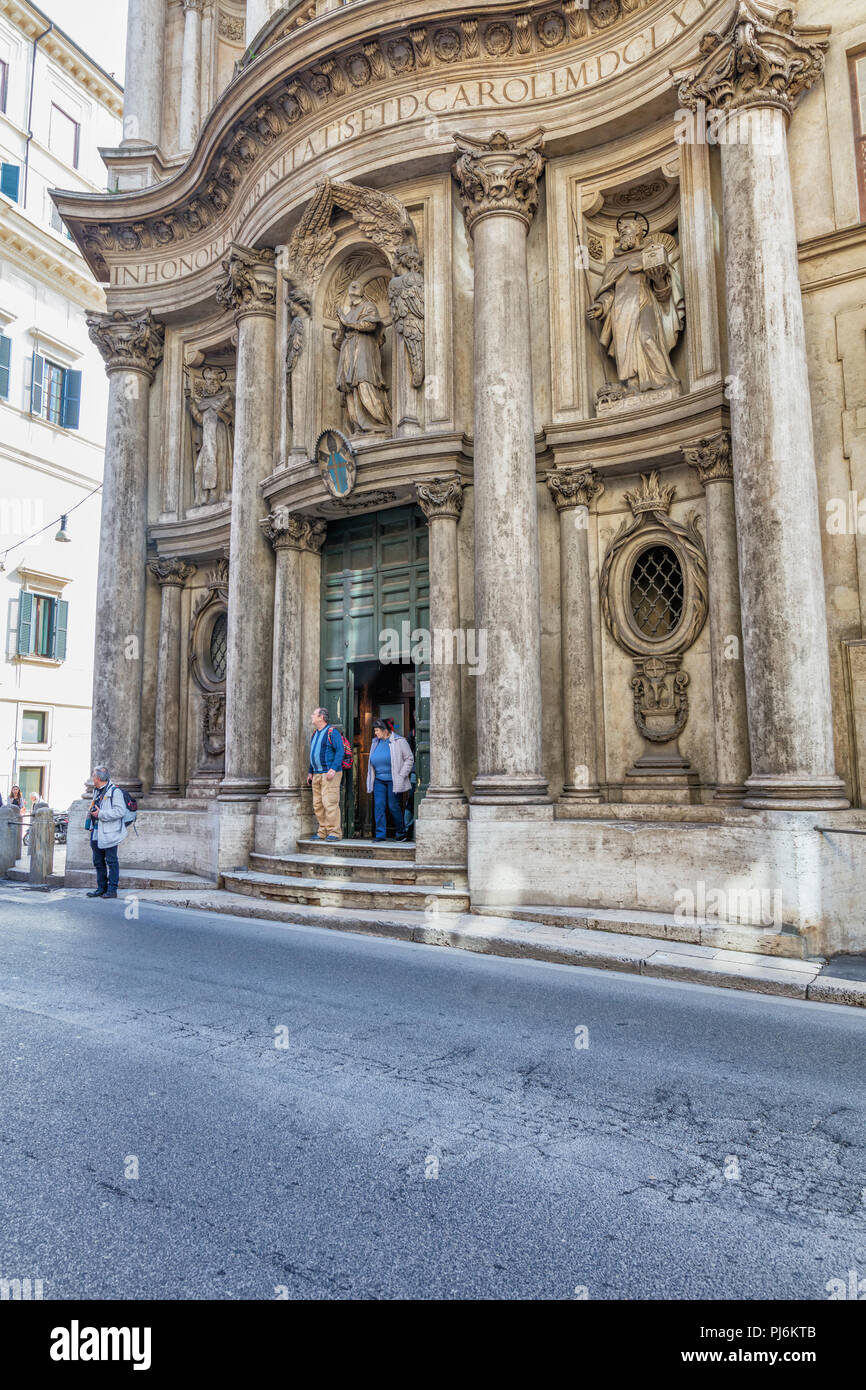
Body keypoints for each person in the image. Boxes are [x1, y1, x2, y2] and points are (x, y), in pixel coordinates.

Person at [366, 718, 414, 842]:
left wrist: (402, 774)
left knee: (393, 806)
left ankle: (401, 833)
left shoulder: (399, 741)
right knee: (379, 806)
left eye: (377, 730)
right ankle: (380, 835)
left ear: (385, 730)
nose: (375, 733)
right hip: (379, 780)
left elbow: (409, 758)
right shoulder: (375, 742)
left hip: (394, 780)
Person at [86, 766, 128, 900]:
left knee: (111, 861)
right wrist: (91, 824)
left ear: (98, 778)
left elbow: (120, 811)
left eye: (93, 776)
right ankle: (101, 888)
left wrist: (101, 814)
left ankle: (112, 890)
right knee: (98, 861)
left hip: (109, 833)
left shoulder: (115, 792)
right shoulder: (96, 791)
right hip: (96, 832)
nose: (92, 778)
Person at [306, 708, 344, 842]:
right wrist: (310, 771)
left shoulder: (332, 732)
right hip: (317, 774)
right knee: (318, 804)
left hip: (330, 774)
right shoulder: (315, 733)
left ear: (321, 717)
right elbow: (313, 754)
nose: (312, 716)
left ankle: (335, 832)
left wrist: (333, 769)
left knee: (330, 803)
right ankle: (322, 831)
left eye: (314, 714)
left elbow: (340, 751)